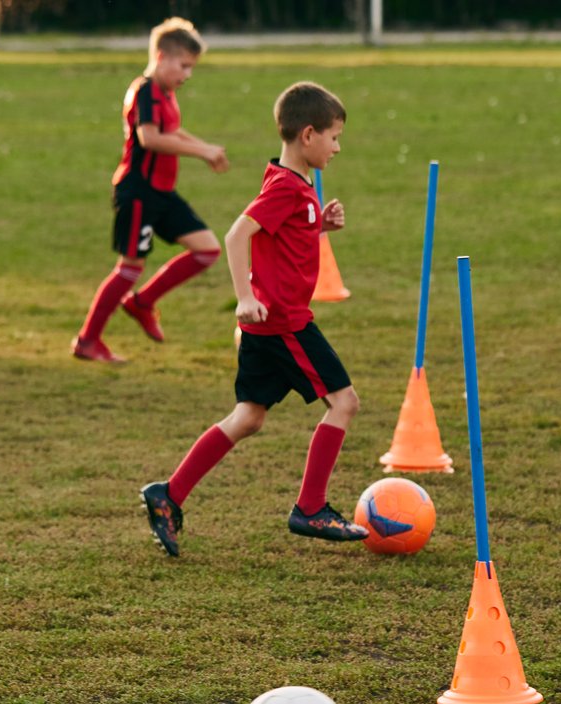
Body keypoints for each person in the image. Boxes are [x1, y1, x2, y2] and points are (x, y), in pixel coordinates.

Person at [139, 82, 366, 557]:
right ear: (308, 135)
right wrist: (243, 297)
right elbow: (237, 234)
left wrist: (317, 223)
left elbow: (277, 236)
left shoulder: (293, 187)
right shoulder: (286, 187)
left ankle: (169, 494)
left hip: (268, 327)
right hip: (285, 324)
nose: (337, 146)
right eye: (334, 136)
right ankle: (311, 507)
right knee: (343, 403)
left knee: (248, 417)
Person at [71, 17, 229, 365]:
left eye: (191, 68)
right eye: (183, 65)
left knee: (208, 250)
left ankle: (142, 303)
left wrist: (207, 147)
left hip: (161, 193)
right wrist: (202, 152)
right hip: (138, 193)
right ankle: (87, 341)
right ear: (161, 56)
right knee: (129, 268)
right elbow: (151, 138)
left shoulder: (166, 93)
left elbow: (173, 130)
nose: (187, 74)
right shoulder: (144, 91)